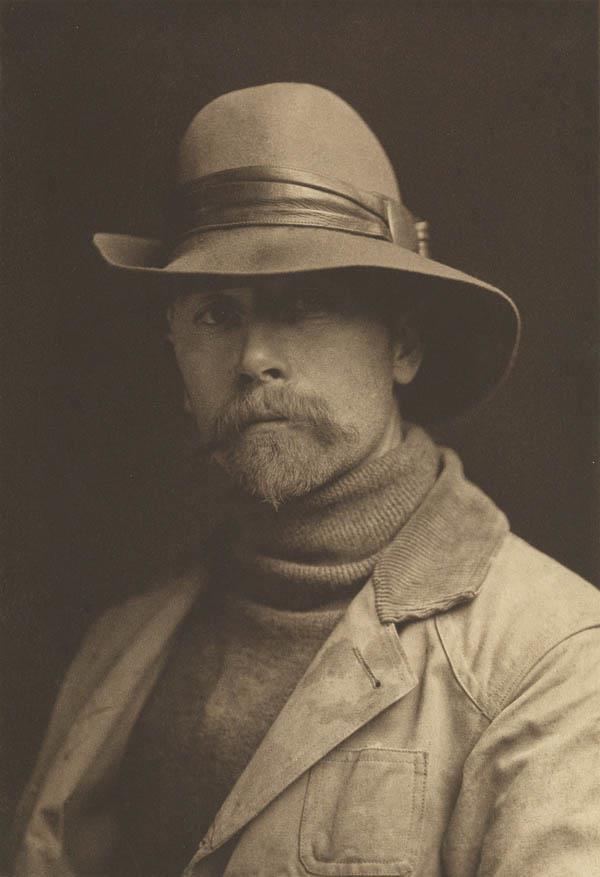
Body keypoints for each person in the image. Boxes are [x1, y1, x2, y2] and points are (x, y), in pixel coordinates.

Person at [11, 83, 600, 877]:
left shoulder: (551, 655)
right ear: (178, 361)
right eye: (218, 313)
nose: (254, 358)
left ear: (404, 346)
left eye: (305, 304)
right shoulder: (118, 646)